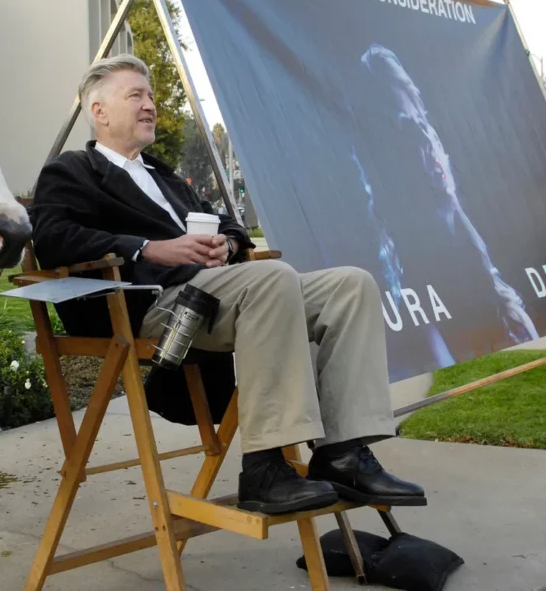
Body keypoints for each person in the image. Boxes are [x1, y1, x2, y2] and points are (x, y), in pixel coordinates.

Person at [30, 53, 425, 515]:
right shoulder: (73, 171)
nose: (150, 105)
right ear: (98, 111)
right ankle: (264, 468)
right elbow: (53, 237)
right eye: (135, 95)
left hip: (220, 293)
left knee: (352, 286)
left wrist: (227, 247)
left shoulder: (164, 176)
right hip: (151, 307)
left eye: (151, 96)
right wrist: (148, 247)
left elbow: (229, 225)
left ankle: (343, 454)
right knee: (272, 278)